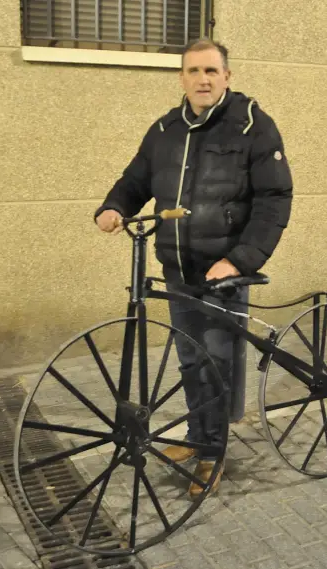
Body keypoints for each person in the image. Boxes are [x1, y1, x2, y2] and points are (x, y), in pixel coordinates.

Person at [94, 38, 293, 499]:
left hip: (223, 271)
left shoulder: (253, 128)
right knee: (189, 358)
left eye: (211, 71)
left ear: (227, 77)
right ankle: (199, 438)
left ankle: (213, 453)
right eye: (193, 72)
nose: (202, 80)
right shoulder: (165, 130)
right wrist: (113, 207)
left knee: (217, 362)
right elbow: (135, 180)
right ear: (181, 78)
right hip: (178, 269)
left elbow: (274, 200)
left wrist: (239, 260)